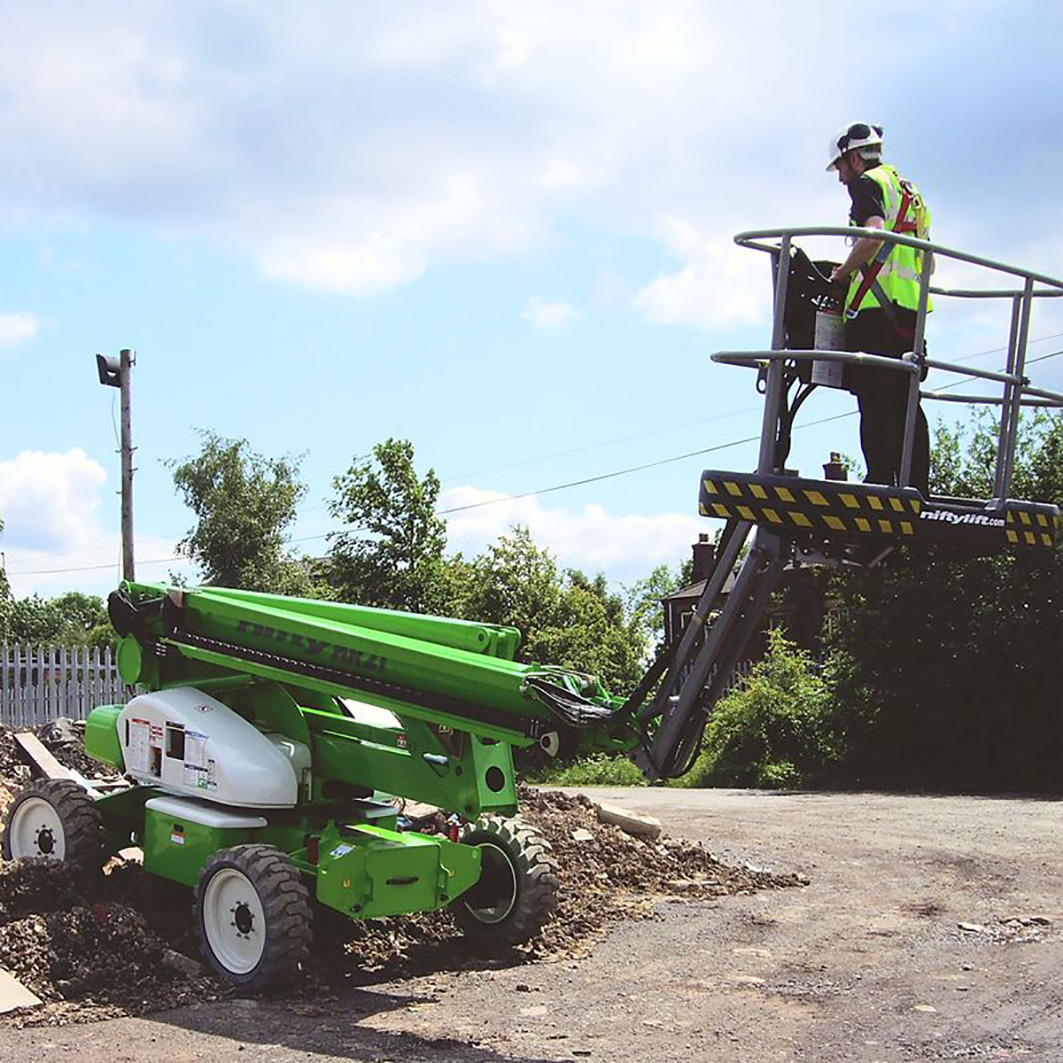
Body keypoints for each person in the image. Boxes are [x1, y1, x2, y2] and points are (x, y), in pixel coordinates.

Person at [827, 122, 932, 495]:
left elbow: (873, 231)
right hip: (911, 316)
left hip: (876, 313)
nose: (841, 179)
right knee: (907, 403)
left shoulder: (866, 184)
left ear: (854, 158)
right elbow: (927, 258)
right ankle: (916, 486)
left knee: (872, 398)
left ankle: (879, 482)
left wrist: (843, 274)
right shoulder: (911, 192)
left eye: (840, 167)